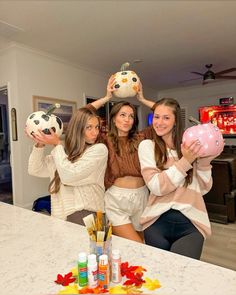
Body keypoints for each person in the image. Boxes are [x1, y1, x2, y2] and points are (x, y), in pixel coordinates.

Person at [138, 98, 223, 259]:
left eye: (166, 117)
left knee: (183, 275)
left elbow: (203, 189)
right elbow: (156, 186)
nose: (159, 122)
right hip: (156, 222)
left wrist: (205, 162)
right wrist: (186, 161)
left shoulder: (191, 146)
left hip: (191, 222)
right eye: (156, 117)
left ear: (176, 121)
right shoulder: (147, 146)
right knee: (159, 276)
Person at [87, 76, 154, 243]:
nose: (127, 119)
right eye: (122, 115)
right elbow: (82, 115)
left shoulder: (142, 137)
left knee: (142, 245)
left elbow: (168, 115)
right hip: (116, 199)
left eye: (131, 116)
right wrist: (106, 98)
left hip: (142, 197)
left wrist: (142, 99)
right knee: (137, 245)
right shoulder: (103, 139)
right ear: (114, 118)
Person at [27, 107, 108, 225]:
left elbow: (69, 176)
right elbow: (35, 169)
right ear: (77, 129)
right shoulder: (63, 154)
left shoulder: (99, 150)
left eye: (96, 127)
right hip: (60, 216)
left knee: (97, 244)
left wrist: (57, 144)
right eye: (89, 127)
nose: (95, 132)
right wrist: (40, 143)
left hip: (90, 215)